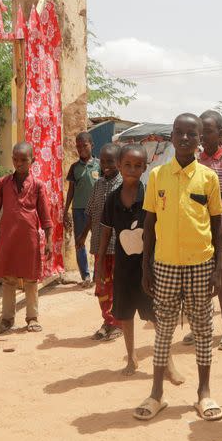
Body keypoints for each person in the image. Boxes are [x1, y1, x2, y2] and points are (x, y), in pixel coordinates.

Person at [134, 113, 222, 422]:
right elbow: (149, 224)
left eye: (191, 134)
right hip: (166, 265)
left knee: (203, 329)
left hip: (200, 263)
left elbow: (216, 225)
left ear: (201, 140)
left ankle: (204, 393)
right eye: (179, 133)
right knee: (163, 331)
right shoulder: (157, 176)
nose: (185, 138)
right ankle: (157, 394)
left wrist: (218, 268)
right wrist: (146, 268)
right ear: (172, 137)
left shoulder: (209, 178)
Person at [98, 144, 186, 380]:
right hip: (123, 267)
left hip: (149, 266)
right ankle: (131, 357)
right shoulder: (112, 199)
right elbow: (106, 234)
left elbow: (162, 229)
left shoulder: (150, 195)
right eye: (127, 164)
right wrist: (99, 267)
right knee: (125, 314)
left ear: (145, 167)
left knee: (156, 315)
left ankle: (168, 363)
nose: (132, 169)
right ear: (119, 166)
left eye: (138, 165)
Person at [0, 142, 53, 334]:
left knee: (30, 279)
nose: (18, 163)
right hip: (8, 239)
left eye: (23, 160)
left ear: (32, 161)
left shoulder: (37, 186)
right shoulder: (3, 183)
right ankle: (7, 318)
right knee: (8, 279)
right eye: (15, 159)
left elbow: (45, 216)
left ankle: (32, 317)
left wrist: (50, 241)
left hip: (29, 240)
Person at [182, 110, 222, 351]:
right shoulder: (194, 161)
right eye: (200, 131)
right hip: (200, 232)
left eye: (208, 131)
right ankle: (201, 327)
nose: (203, 136)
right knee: (200, 281)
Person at [77, 143, 123, 341]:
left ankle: (119, 322)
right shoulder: (98, 185)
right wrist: (82, 235)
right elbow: (90, 213)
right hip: (99, 247)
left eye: (110, 162)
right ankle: (108, 321)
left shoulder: (124, 185)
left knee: (118, 285)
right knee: (102, 286)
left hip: (119, 247)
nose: (105, 166)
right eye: (103, 162)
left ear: (119, 163)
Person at [64, 131, 100, 284]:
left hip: (97, 210)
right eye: (78, 146)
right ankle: (85, 276)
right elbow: (71, 190)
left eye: (84, 145)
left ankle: (98, 275)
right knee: (80, 242)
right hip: (79, 210)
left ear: (92, 145)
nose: (81, 149)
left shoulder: (100, 165)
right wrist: (65, 210)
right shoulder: (74, 167)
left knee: (98, 242)